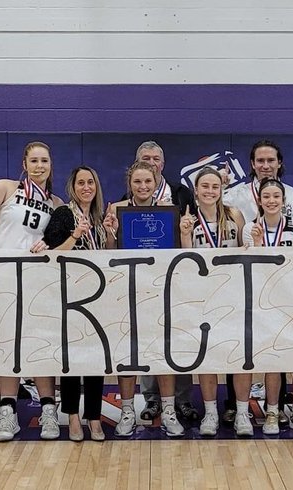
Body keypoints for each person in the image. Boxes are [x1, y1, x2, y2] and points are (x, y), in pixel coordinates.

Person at [0, 139, 63, 441]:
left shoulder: (56, 203)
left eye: (44, 161)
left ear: (50, 165)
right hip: (1, 278)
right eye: (34, 160)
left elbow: (60, 241)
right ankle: (8, 413)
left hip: (37, 281)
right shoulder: (9, 188)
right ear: (25, 164)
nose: (39, 166)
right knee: (7, 345)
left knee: (39, 346)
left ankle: (49, 411)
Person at [104, 161, 184, 438]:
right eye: (137, 182)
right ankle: (127, 411)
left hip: (160, 289)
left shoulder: (167, 211)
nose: (143, 186)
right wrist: (110, 233)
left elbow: (175, 252)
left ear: (156, 181)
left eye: (147, 181)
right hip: (126, 290)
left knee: (162, 353)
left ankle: (169, 411)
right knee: (128, 354)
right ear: (130, 184)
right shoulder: (117, 210)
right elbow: (109, 253)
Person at [177, 166, 251, 436]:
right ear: (195, 190)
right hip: (201, 297)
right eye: (204, 186)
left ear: (222, 190)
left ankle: (242, 413)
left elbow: (247, 251)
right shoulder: (188, 219)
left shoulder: (235, 215)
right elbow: (182, 263)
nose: (210, 191)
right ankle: (210, 413)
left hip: (233, 295)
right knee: (207, 357)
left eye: (215, 187)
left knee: (240, 356)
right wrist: (185, 235)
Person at [41, 166, 111, 442]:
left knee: (95, 359)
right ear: (72, 187)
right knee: (71, 361)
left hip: (97, 298)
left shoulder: (99, 217)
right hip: (68, 297)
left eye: (90, 182)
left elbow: (108, 258)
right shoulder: (63, 214)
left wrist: (111, 234)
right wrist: (74, 235)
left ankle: (93, 416)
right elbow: (50, 255)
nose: (86, 187)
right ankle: (71, 415)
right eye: (81, 182)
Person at [133, 141, 197, 424]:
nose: (151, 163)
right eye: (145, 159)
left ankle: (182, 399)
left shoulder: (182, 193)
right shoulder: (130, 196)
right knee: (147, 339)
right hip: (144, 279)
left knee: (179, 339)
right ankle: (152, 399)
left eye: (156, 158)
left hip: (177, 276)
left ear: (163, 162)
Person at [241, 177, 293, 435]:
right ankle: (272, 410)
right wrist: (254, 244)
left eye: (276, 197)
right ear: (259, 200)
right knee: (272, 359)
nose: (271, 201)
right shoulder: (249, 228)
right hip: (262, 301)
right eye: (266, 197)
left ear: (283, 200)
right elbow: (246, 264)